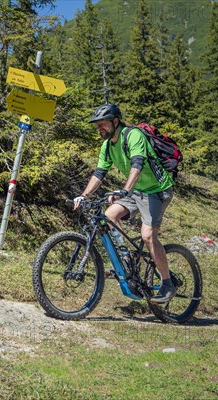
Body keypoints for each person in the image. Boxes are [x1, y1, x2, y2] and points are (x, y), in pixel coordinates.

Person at [74, 104, 176, 303]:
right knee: (109, 216)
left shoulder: (133, 135)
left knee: (148, 236)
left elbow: (137, 165)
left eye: (103, 124)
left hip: (158, 190)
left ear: (115, 121)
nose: (99, 128)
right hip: (136, 190)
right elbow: (99, 173)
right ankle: (126, 259)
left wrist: (125, 190)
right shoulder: (107, 146)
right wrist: (84, 195)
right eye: (97, 125)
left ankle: (167, 283)